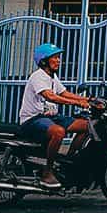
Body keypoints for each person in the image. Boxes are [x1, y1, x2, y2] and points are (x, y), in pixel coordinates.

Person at [19, 43, 95, 187]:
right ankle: (47, 172)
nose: (59, 60)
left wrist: (88, 100)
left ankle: (69, 160)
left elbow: (64, 93)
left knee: (88, 126)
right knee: (58, 132)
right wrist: (77, 104)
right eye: (55, 57)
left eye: (59, 57)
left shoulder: (52, 77)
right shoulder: (38, 77)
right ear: (44, 61)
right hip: (33, 119)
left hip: (50, 117)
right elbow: (51, 97)